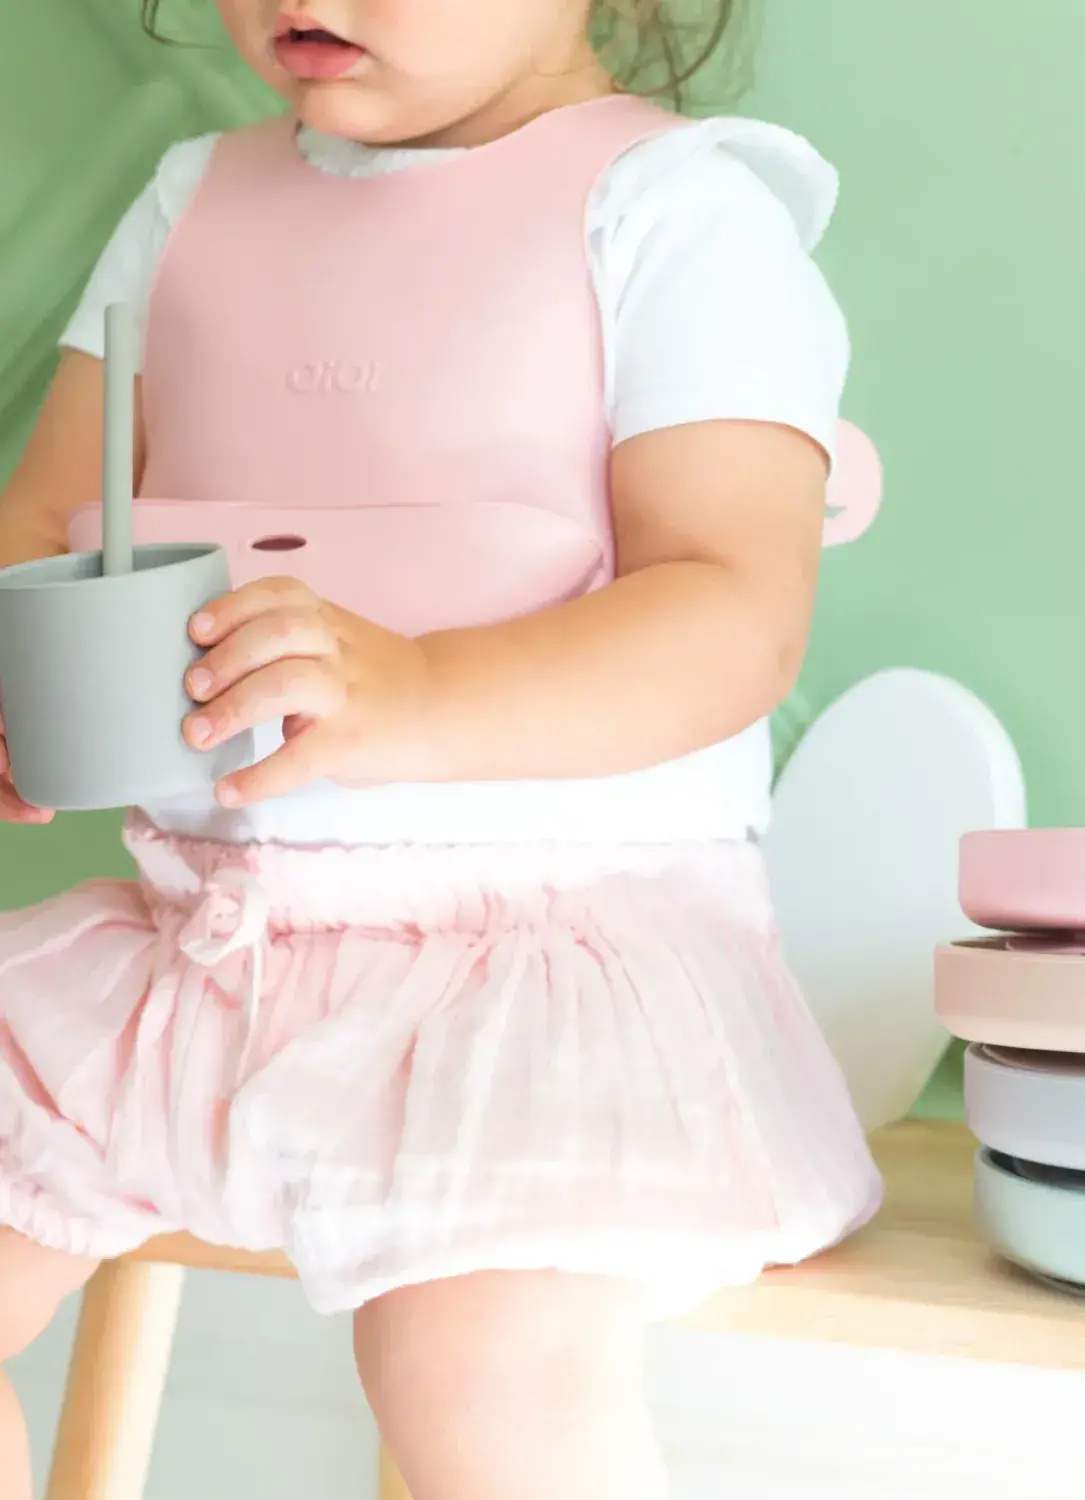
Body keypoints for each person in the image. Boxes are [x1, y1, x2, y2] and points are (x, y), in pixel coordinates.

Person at [0, 2, 882, 1495]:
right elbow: (47, 515)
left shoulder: (677, 215)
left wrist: (416, 691)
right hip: (193, 953)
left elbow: (732, 611)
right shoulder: (190, 201)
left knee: (479, 1370)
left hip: (543, 967)